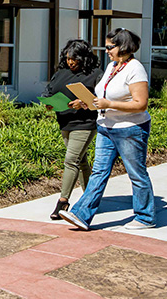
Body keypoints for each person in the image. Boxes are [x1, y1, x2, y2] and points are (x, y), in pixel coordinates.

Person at [61, 28, 156, 231]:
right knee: (99, 172)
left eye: (109, 47)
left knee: (136, 173)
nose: (106, 51)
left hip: (130, 129)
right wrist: (88, 102)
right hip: (106, 126)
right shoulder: (113, 66)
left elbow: (141, 104)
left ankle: (145, 216)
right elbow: (103, 99)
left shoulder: (135, 69)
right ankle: (81, 215)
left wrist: (108, 103)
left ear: (122, 47)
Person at [42, 39, 102, 220]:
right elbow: (49, 91)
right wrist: (49, 102)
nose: (70, 62)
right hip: (65, 122)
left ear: (84, 58)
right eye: (68, 58)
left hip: (85, 123)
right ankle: (90, 198)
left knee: (71, 159)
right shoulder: (61, 73)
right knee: (81, 160)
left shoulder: (96, 74)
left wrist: (83, 103)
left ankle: (63, 201)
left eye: (74, 59)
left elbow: (103, 99)